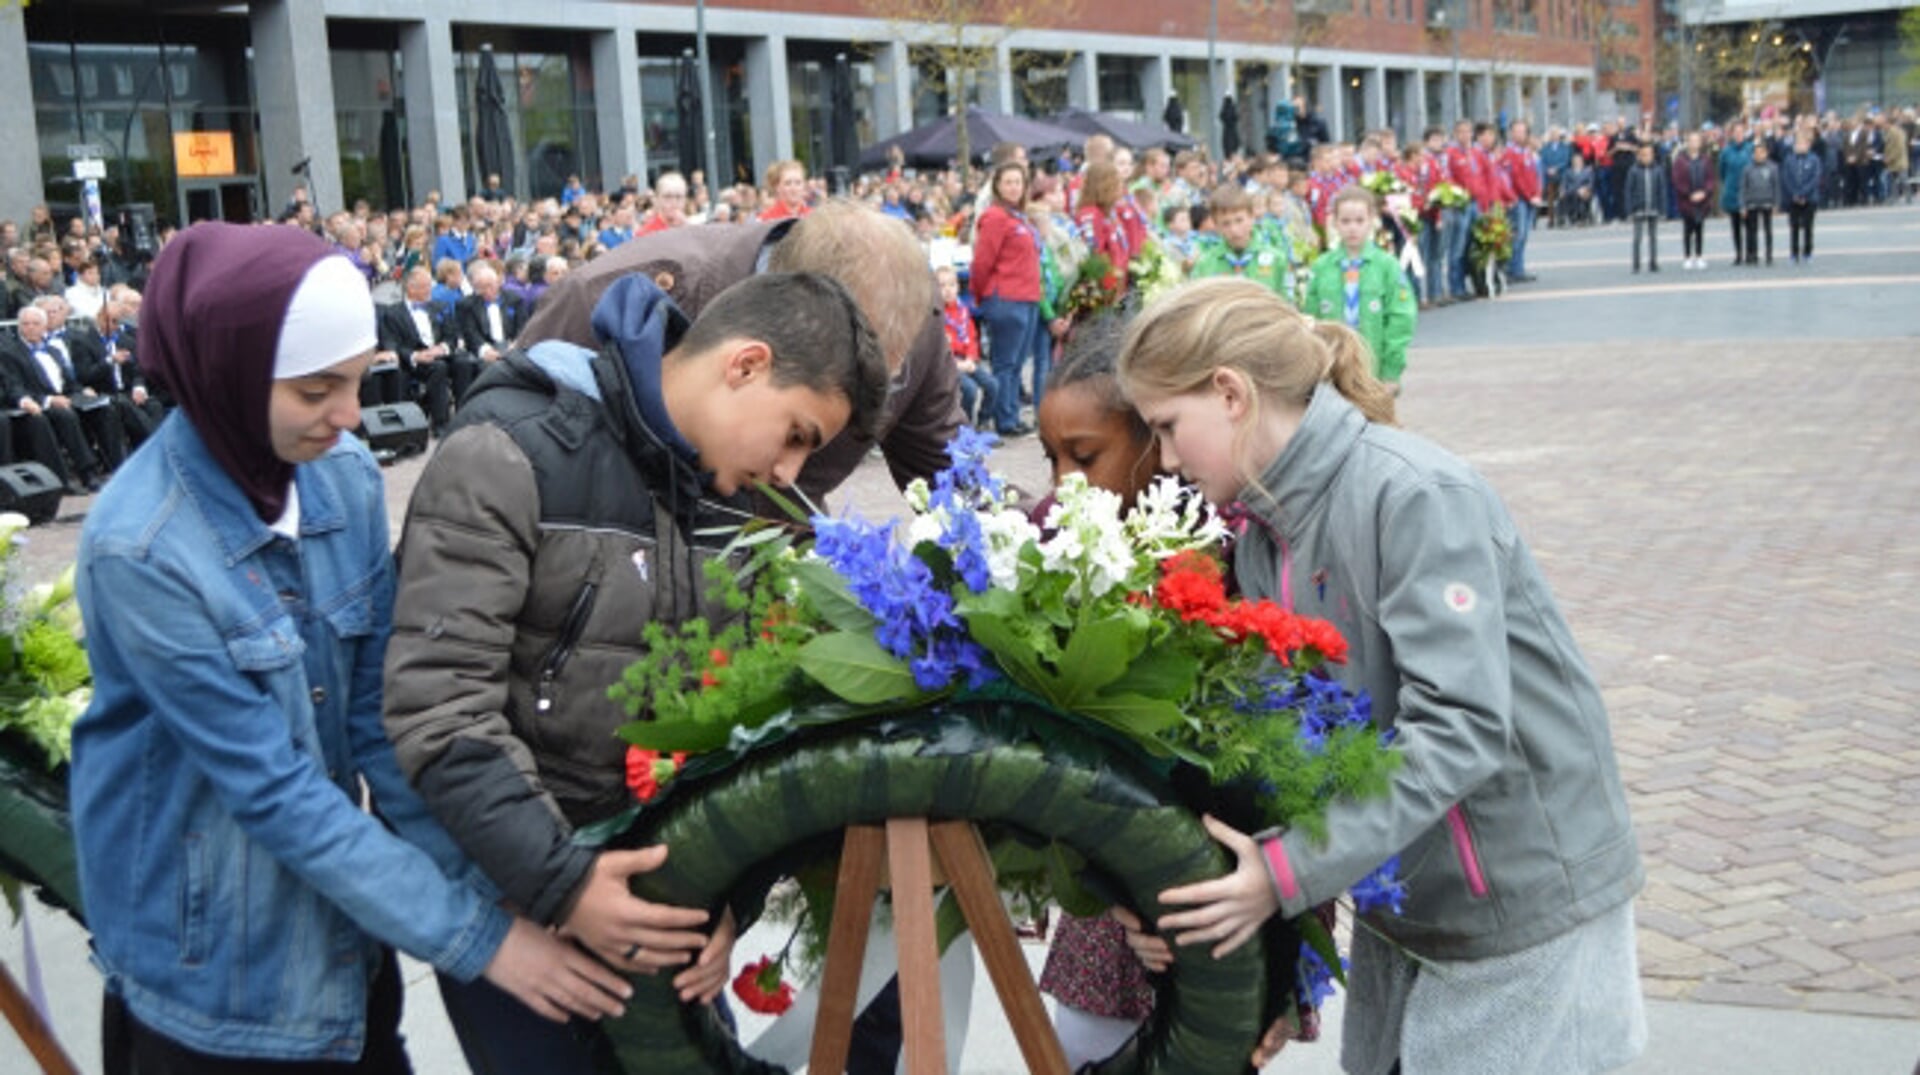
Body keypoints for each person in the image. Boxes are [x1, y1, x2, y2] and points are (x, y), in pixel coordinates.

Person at [70, 221, 632, 1074]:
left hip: (340, 948)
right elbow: (276, 792)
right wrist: (485, 939)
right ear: (226, 377)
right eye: (315, 389)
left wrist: (513, 888)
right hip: (214, 981)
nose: (349, 414)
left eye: (358, 380)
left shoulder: (342, 478)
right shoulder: (140, 549)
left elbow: (381, 721)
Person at [1114, 276, 1647, 1075]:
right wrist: (1241, 905)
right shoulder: (1263, 535)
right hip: (1412, 911)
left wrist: (1284, 870)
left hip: (1524, 908)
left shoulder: (1414, 495)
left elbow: (1460, 729)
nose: (1162, 456)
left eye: (1166, 425)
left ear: (1229, 393)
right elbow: (1294, 757)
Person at [382, 269, 888, 1073]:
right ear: (746, 364)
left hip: (666, 924)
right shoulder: (510, 447)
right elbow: (440, 712)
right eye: (795, 433)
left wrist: (731, 898)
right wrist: (566, 886)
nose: (792, 472)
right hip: (520, 918)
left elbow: (746, 725)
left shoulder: (742, 501)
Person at [519, 199, 961, 507]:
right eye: (795, 433)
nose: (787, 472)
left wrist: (1026, 539)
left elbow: (955, 482)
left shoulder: (911, 314)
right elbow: (502, 483)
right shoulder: (600, 302)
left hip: (774, 582)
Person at [1032, 313, 1163, 1070]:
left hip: (1200, 877)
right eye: (1051, 458)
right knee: (1083, 1034)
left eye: (1085, 457)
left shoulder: (1210, 543)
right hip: (1100, 867)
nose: (1063, 483)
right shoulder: (1049, 529)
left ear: (1156, 440)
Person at [1302, 187, 1417, 392]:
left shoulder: (1387, 266)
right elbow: (1310, 319)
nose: (1352, 228)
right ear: (1335, 223)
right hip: (1332, 371)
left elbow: (1401, 319)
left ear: (1372, 220)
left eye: (1359, 221)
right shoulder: (1321, 267)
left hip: (1374, 371)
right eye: (1345, 221)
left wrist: (1391, 371)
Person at [0, 303, 110, 492]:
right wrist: (47, 401)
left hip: (65, 396)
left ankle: (115, 466)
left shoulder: (53, 351)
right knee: (64, 415)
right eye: (25, 324)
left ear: (44, 327)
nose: (30, 328)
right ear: (19, 327)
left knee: (105, 407)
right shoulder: (10, 353)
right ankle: (80, 475)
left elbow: (69, 382)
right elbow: (14, 386)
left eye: (35, 323)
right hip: (39, 401)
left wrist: (82, 390)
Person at [971, 160, 1045, 437]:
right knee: (1005, 363)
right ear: (998, 187)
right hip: (1005, 298)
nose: (1014, 187)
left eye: (1018, 182)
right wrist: (981, 296)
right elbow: (982, 262)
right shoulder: (995, 217)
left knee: (1016, 364)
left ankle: (1010, 414)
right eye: (1008, 182)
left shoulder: (1018, 217)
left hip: (1027, 297)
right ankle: (1004, 419)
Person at [377, 266, 466, 434]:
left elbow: (451, 335)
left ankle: (464, 416)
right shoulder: (393, 313)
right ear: (411, 288)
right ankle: (440, 423)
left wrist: (442, 348)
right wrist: (415, 355)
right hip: (414, 360)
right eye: (425, 286)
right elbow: (392, 343)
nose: (430, 289)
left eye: (429, 285)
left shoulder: (441, 306)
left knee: (465, 363)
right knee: (438, 368)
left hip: (440, 354)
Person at [1190, 184, 1297, 305]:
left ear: (1252, 217)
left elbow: (1288, 305)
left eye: (1239, 220)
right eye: (1226, 224)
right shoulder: (1205, 264)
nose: (1234, 230)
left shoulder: (1277, 260)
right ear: (1216, 226)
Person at [937, 265, 994, 426]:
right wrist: (959, 364)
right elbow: (940, 348)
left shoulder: (963, 311)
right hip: (949, 363)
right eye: (942, 286)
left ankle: (983, 421)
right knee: (970, 390)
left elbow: (972, 337)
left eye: (952, 285)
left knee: (992, 385)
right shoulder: (936, 316)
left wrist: (971, 358)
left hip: (967, 360)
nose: (948, 290)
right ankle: (965, 426)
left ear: (958, 287)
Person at [1671, 131, 1716, 270]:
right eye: (1692, 141)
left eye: (1697, 141)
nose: (1694, 143)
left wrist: (1705, 192)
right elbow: (1677, 180)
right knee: (1688, 228)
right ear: (1687, 143)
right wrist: (1689, 193)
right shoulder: (1680, 160)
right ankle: (1687, 256)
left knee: (1700, 228)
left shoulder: (1705, 159)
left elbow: (1710, 178)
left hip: (1702, 200)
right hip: (1686, 200)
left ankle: (1699, 255)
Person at [1624, 143, 1670, 274]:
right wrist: (1629, 210)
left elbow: (1662, 190)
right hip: (1638, 207)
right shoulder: (1633, 170)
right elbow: (1628, 191)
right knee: (1637, 237)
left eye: (1649, 154)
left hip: (1653, 206)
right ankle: (1636, 263)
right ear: (1639, 156)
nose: (1646, 157)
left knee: (1653, 237)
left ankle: (1653, 262)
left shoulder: (1658, 170)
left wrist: (1663, 209)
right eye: (1643, 155)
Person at [1781, 131, 1825, 265]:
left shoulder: (1814, 159)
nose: (1800, 146)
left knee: (1808, 227)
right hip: (1792, 198)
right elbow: (1786, 178)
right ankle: (1793, 253)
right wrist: (1794, 194)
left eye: (1803, 144)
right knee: (1793, 227)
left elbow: (1815, 178)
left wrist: (1804, 194)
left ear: (1808, 145)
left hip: (1809, 198)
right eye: (1797, 143)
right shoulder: (1789, 159)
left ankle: (1808, 252)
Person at [1718, 122, 1754, 265]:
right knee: (1736, 226)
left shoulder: (1750, 148)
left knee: (1750, 226)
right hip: (1732, 191)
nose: (1739, 135)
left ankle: (1751, 253)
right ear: (1732, 134)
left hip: (1749, 191)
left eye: (1741, 132)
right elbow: (1721, 171)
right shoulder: (1726, 151)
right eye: (1736, 132)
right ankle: (1738, 254)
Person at [1740, 140, 1780, 268]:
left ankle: (1769, 254)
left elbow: (1776, 187)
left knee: (1768, 230)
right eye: (1756, 153)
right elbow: (1743, 188)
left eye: (1761, 153)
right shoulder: (1747, 169)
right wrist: (1743, 205)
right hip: (1752, 203)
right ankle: (1753, 254)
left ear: (1766, 154)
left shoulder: (1773, 168)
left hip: (1767, 202)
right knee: (1752, 231)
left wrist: (1776, 204)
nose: (1759, 155)